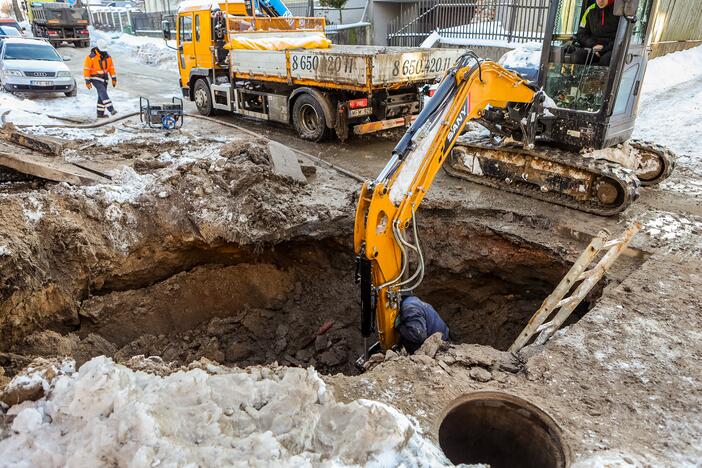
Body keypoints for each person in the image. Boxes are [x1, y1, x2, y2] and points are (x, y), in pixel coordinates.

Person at [574, 0, 618, 66]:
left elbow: (622, 38)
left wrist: (604, 48)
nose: (601, 0)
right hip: (593, 46)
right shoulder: (590, 10)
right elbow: (581, 33)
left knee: (606, 60)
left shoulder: (618, 12)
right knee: (578, 56)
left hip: (611, 48)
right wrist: (593, 45)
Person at [83, 39, 117, 119]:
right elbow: (86, 69)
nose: (104, 52)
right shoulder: (91, 57)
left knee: (101, 96)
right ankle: (111, 109)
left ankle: (100, 114)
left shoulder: (108, 57)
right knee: (102, 92)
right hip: (95, 78)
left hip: (104, 79)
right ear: (98, 48)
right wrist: (87, 81)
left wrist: (114, 78)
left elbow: (111, 68)